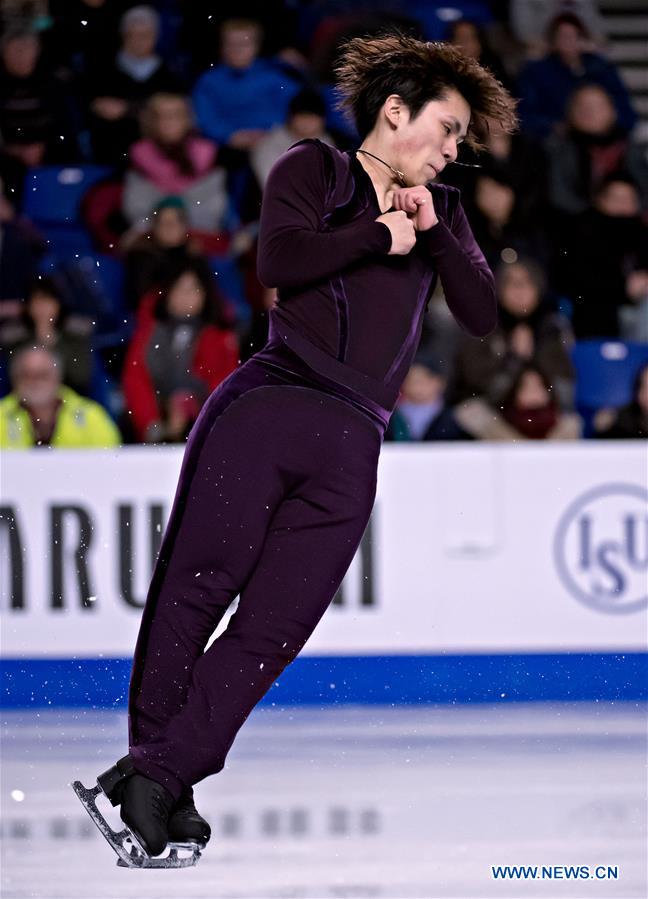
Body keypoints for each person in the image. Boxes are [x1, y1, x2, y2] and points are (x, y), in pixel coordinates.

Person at [74, 33, 517, 865]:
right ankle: (162, 780)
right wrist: (375, 236)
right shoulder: (313, 168)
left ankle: (159, 772)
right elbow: (277, 258)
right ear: (397, 111)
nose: (456, 150)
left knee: (277, 627)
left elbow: (485, 314)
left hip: (355, 444)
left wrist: (434, 232)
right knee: (198, 590)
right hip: (268, 408)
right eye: (449, 129)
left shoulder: (445, 209)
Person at [121, 260, 239, 443]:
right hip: (153, 430)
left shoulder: (221, 339)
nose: (186, 296)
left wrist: (193, 410)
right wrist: (153, 426)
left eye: (193, 289)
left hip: (205, 430)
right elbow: (136, 380)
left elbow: (224, 387)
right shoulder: (148, 334)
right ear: (168, 293)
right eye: (179, 288)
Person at [0, 344, 121, 448]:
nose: (34, 382)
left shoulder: (91, 416)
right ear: (14, 378)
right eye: (26, 375)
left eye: (43, 374)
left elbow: (109, 462)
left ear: (58, 377)